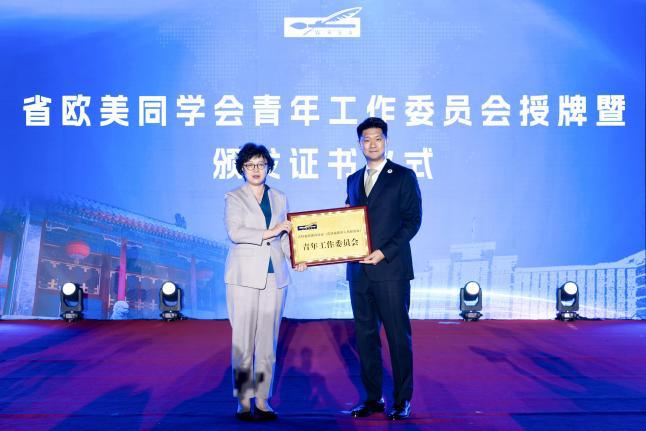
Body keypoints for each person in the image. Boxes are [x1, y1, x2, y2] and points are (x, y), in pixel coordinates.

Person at [345, 117, 422, 420]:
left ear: (386, 141)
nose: (372, 144)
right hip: (359, 272)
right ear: (360, 144)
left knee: (397, 337)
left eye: (377, 138)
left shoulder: (403, 176)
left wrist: (384, 252)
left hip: (391, 270)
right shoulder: (353, 179)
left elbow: (412, 221)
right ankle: (372, 398)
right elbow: (346, 222)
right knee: (365, 338)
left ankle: (402, 400)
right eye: (366, 139)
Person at [224, 143, 306, 422]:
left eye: (261, 164)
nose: (256, 170)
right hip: (243, 277)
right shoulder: (234, 197)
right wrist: (272, 230)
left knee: (267, 341)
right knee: (243, 340)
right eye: (250, 165)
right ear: (242, 169)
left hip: (275, 275)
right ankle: (243, 400)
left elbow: (284, 238)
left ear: (269, 167)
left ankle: (262, 399)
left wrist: (297, 259)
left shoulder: (279, 197)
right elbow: (236, 232)